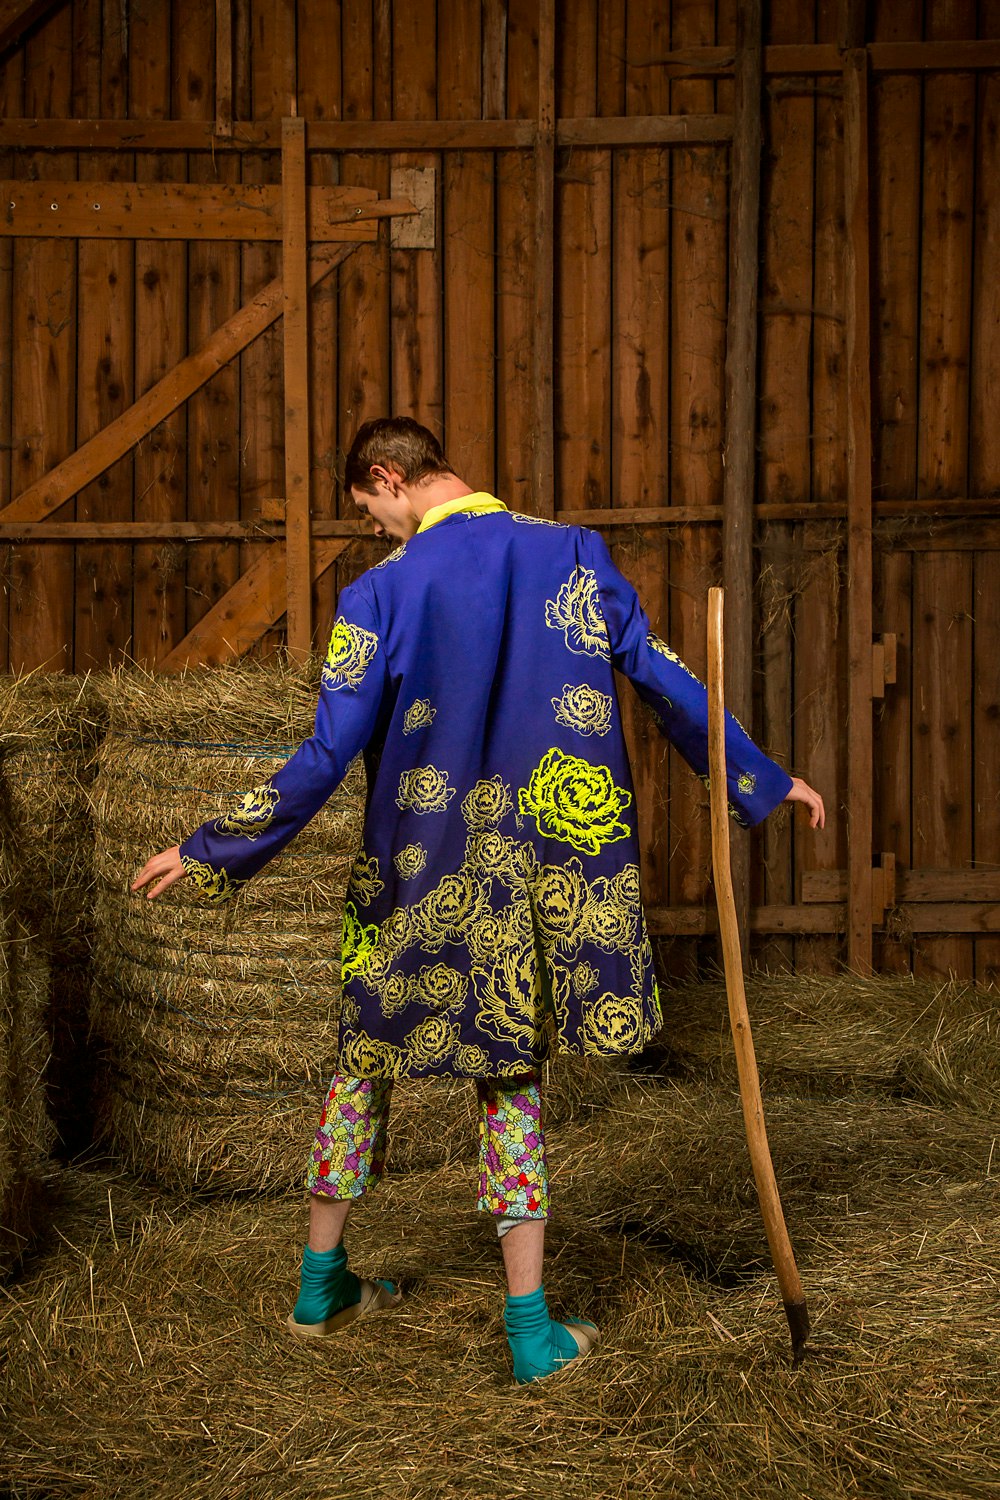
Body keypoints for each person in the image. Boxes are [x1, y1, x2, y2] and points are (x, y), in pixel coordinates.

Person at [133, 416, 825, 1385]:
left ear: (388, 476)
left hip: (414, 869)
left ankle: (319, 1285)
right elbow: (661, 675)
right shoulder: (572, 553)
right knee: (509, 1073)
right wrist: (757, 775)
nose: (375, 529)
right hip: (540, 867)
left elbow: (327, 754)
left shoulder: (377, 593)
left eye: (367, 509)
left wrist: (210, 845)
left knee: (361, 1057)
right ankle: (530, 1330)